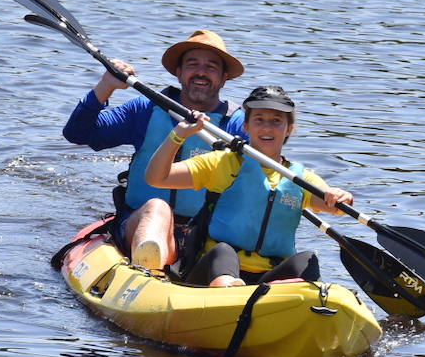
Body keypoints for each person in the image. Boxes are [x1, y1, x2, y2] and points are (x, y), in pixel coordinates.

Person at [62, 29, 248, 271]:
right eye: (192, 64)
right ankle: (147, 274)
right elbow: (78, 133)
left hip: (205, 233)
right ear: (179, 72)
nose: (201, 72)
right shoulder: (146, 109)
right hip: (140, 221)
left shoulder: (236, 125)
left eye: (211, 67)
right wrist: (105, 86)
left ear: (224, 78)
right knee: (157, 208)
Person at [144, 85, 353, 287]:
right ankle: (227, 293)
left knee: (306, 260)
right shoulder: (222, 163)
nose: (266, 128)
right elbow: (156, 178)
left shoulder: (299, 177)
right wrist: (178, 136)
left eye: (276, 121)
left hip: (268, 277)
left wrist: (340, 196)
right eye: (259, 120)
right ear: (246, 126)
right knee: (223, 252)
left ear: (289, 128)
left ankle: (307, 308)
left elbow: (333, 205)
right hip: (213, 270)